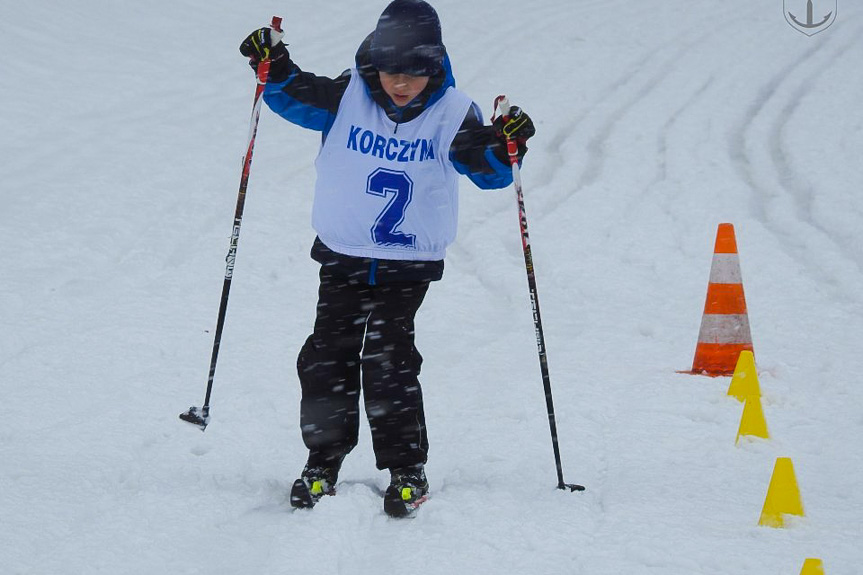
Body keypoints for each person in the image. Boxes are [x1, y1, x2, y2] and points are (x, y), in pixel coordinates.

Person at [240, 0, 536, 517]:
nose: (402, 84)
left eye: (416, 74)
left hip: (407, 265)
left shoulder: (452, 111)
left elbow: (488, 171)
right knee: (326, 356)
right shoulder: (347, 96)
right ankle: (323, 460)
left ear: (435, 66)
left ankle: (406, 466)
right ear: (374, 63)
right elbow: (291, 97)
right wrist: (273, 65)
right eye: (392, 72)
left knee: (388, 357)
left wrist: (506, 144)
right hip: (344, 256)